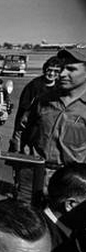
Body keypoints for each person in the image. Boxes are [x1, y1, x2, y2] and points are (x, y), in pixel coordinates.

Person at [25, 48, 86, 183]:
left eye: (71, 69)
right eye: (62, 68)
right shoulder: (44, 100)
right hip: (35, 174)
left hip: (71, 181)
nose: (62, 74)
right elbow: (26, 131)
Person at [11, 56, 63, 154]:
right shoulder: (34, 86)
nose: (52, 74)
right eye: (49, 70)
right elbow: (24, 108)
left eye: (56, 71)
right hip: (30, 128)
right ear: (44, 69)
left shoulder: (60, 87)